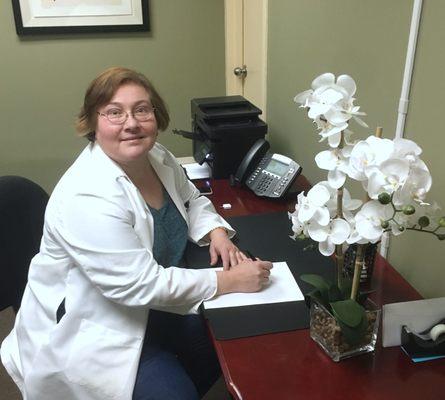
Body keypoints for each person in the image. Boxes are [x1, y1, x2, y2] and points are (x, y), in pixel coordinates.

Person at [0, 67, 273, 400]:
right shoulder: (87, 194)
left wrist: (216, 231)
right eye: (114, 112)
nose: (131, 123)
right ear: (92, 123)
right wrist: (228, 281)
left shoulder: (156, 157)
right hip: (99, 325)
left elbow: (190, 197)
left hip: (153, 307)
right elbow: (140, 284)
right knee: (176, 393)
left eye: (142, 110)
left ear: (156, 116)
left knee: (235, 333)